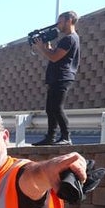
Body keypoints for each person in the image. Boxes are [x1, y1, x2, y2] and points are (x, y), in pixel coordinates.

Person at [32, 10, 80, 146]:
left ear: (69, 21)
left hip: (62, 76)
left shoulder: (69, 38)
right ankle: (51, 136)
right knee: (50, 108)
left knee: (57, 107)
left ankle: (66, 136)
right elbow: (54, 54)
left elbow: (54, 57)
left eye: (60, 21)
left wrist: (41, 48)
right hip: (57, 76)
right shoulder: (68, 39)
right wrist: (47, 47)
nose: (58, 25)